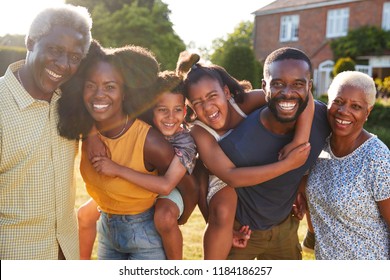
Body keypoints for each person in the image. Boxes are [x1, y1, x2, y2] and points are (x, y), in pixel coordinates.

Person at [176, 51, 315, 259]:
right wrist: (287, 164)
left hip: (259, 163)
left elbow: (302, 98)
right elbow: (231, 176)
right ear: (190, 106)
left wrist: (298, 142)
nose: (207, 107)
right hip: (224, 177)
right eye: (197, 103)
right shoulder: (200, 131)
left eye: (212, 96)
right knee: (222, 211)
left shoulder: (246, 102)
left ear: (226, 92)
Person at [58, 41, 176, 260]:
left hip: (145, 236)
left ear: (124, 93)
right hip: (107, 232)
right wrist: (91, 133)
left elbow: (185, 181)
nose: (98, 95)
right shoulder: (82, 129)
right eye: (90, 85)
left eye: (110, 86)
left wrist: (175, 215)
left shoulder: (150, 141)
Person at [213, 47, 331, 260]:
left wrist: (302, 186)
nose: (287, 92)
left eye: (298, 84)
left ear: (309, 87)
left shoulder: (322, 118)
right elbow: (207, 182)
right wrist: (222, 228)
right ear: (264, 86)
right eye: (277, 84)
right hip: (243, 233)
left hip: (285, 228)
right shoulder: (235, 142)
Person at [75, 70, 201, 260]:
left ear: (184, 111)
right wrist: (91, 134)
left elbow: (167, 185)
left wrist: (116, 169)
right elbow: (94, 109)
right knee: (85, 213)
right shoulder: (142, 123)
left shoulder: (185, 143)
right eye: (162, 110)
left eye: (177, 110)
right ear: (152, 110)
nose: (170, 117)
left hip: (170, 186)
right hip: (138, 191)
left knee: (164, 217)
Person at [0, 4, 92, 260]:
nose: (63, 65)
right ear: (30, 42)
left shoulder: (71, 104)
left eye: (74, 57)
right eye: (55, 50)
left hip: (66, 254)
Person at [305, 71, 390, 260]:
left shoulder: (377, 157)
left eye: (356, 106)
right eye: (338, 101)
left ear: (367, 112)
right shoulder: (319, 146)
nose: (343, 111)